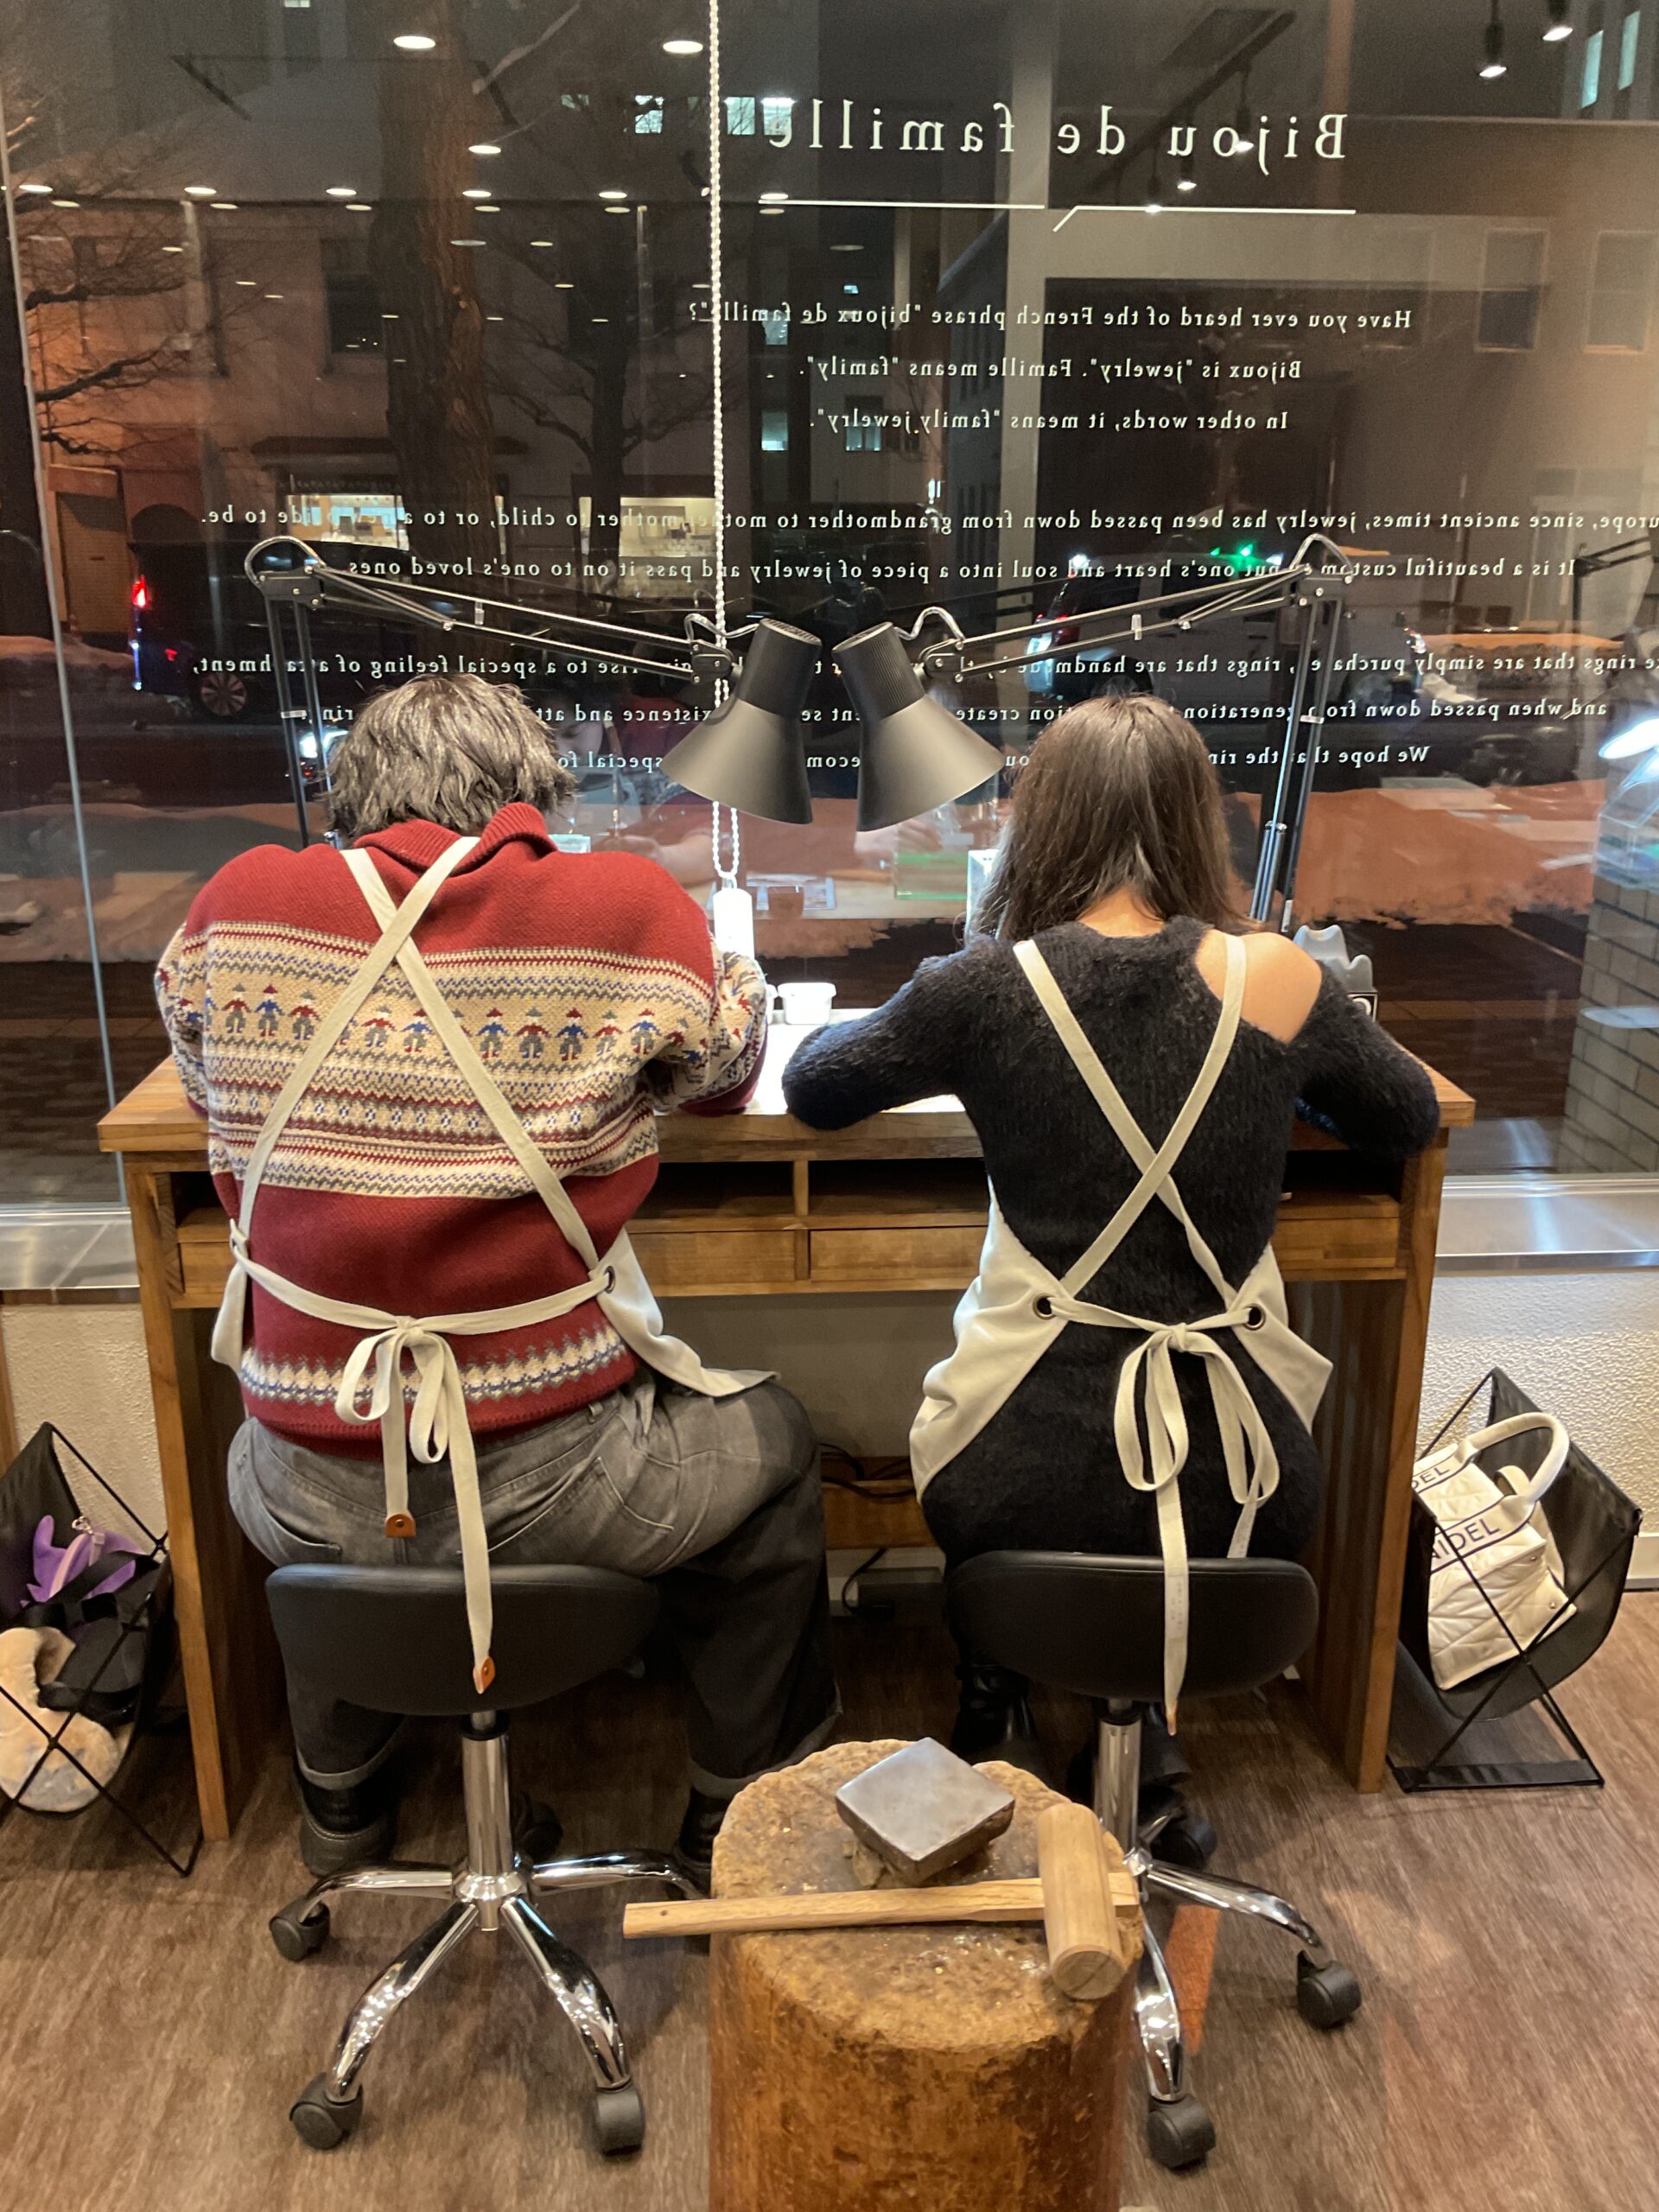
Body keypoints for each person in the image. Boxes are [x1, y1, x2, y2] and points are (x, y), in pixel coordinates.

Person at [156, 673, 837, 1881]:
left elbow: (206, 1082)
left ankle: (340, 1808)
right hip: (554, 1477)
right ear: (532, 790)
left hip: (303, 1475)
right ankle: (729, 1808)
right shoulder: (620, 905)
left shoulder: (238, 904)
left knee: (321, 1487)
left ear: (354, 790)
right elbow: (727, 1075)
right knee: (776, 1439)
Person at [782, 695, 1439, 1802]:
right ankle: (1146, 1730)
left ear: (1038, 827)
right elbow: (1405, 1118)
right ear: (1198, 826)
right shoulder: (1279, 978)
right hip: (1246, 1474)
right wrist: (1277, 1083)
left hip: (1015, 1469)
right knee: (1154, 1500)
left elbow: (816, 1085)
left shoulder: (985, 988)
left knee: (998, 1458)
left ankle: (994, 1687)